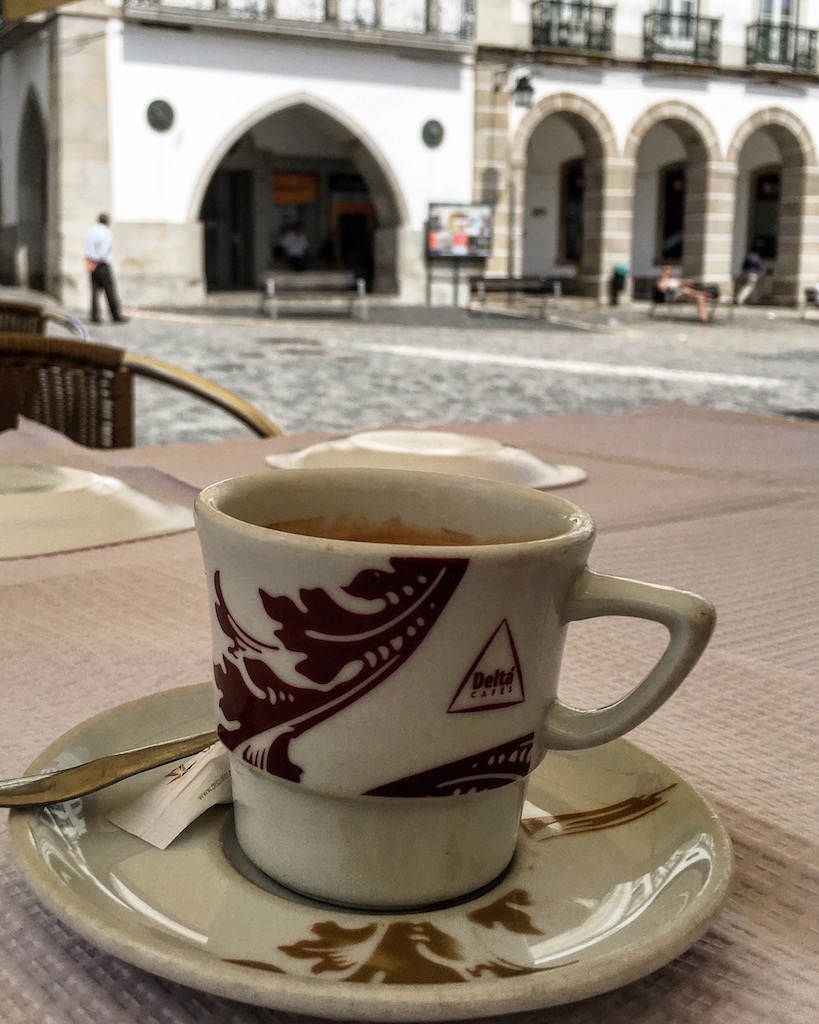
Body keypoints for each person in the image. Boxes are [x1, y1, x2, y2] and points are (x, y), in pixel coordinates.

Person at [83, 213, 127, 324]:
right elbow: (104, 250)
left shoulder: (90, 231)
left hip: (92, 263)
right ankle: (115, 315)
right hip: (102, 264)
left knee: (94, 291)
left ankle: (94, 316)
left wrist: (90, 261)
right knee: (109, 290)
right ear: (107, 221)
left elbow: (86, 247)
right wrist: (97, 261)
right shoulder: (106, 232)